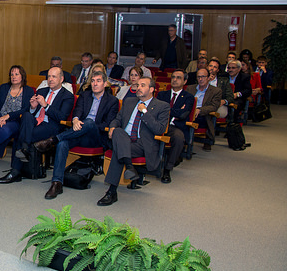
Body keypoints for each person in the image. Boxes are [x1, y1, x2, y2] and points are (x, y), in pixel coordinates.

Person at [33, 70, 119, 199]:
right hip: (78, 133)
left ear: (105, 84)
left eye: (98, 81)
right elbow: (77, 111)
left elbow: (106, 124)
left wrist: (84, 124)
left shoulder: (112, 101)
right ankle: (57, 183)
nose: (95, 84)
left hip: (96, 137)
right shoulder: (85, 95)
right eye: (93, 81)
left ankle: (53, 139)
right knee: (63, 144)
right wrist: (75, 120)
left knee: (89, 122)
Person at [97, 77, 170, 206]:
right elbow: (117, 119)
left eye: (143, 85)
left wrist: (145, 111)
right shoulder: (129, 101)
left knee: (118, 150)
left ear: (152, 89)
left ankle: (112, 192)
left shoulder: (162, 106)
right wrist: (113, 126)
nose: (138, 87)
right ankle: (129, 167)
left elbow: (159, 129)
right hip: (123, 138)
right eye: (137, 85)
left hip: (142, 144)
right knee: (119, 132)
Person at [0, 67, 74, 184]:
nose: (50, 79)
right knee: (27, 115)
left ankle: (15, 170)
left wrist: (46, 105)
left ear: (61, 79)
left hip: (51, 125)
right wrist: (33, 107)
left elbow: (61, 117)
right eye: (49, 77)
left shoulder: (67, 96)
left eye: (54, 77)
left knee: (20, 134)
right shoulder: (42, 91)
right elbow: (32, 112)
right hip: (35, 122)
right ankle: (24, 150)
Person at [156, 70, 194, 183]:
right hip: (161, 124)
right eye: (173, 77)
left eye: (178, 77)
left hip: (175, 127)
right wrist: (175, 111)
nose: (175, 79)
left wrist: (166, 110)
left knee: (178, 137)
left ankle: (167, 169)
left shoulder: (188, 97)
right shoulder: (162, 94)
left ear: (185, 81)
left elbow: (183, 114)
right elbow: (157, 111)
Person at [187, 68, 222, 152]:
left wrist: (199, 110)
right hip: (189, 112)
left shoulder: (216, 91)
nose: (200, 79)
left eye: (203, 76)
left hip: (203, 115)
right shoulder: (190, 88)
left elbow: (214, 106)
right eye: (198, 77)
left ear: (208, 77)